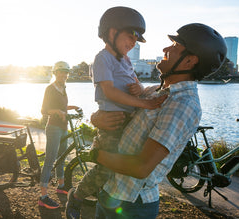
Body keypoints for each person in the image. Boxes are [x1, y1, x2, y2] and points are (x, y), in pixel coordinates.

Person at [88, 23, 227, 218]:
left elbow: (141, 167)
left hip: (131, 205)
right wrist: (96, 118)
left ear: (190, 61)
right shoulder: (155, 92)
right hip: (110, 190)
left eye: (175, 47)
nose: (165, 49)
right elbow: (118, 109)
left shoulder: (183, 104)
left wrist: (96, 155)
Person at [65, 6, 167, 218]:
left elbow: (137, 84)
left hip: (127, 122)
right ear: (112, 32)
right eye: (130, 37)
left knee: (123, 167)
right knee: (106, 168)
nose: (133, 43)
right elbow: (109, 92)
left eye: (136, 40)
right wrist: (145, 104)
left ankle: (103, 200)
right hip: (111, 125)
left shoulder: (126, 60)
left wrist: (140, 89)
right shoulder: (102, 58)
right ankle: (76, 196)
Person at [38, 61, 80, 209]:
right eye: (60, 72)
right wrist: (58, 112)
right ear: (55, 73)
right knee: (50, 160)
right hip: (54, 127)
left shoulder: (63, 88)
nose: (63, 75)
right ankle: (43, 196)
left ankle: (61, 185)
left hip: (64, 127)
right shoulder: (50, 88)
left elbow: (61, 106)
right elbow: (45, 110)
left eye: (65, 72)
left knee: (62, 157)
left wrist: (73, 107)